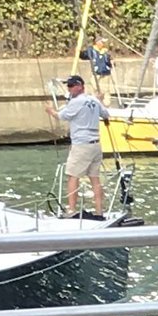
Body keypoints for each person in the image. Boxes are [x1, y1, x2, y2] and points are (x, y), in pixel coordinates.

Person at [58, 73, 108, 216]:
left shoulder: (75, 102)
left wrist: (50, 111)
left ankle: (72, 210)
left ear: (80, 86)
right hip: (95, 146)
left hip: (82, 145)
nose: (70, 89)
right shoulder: (94, 100)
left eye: (72, 86)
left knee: (73, 176)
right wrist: (100, 101)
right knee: (95, 179)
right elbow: (105, 114)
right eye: (69, 86)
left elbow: (61, 116)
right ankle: (99, 211)